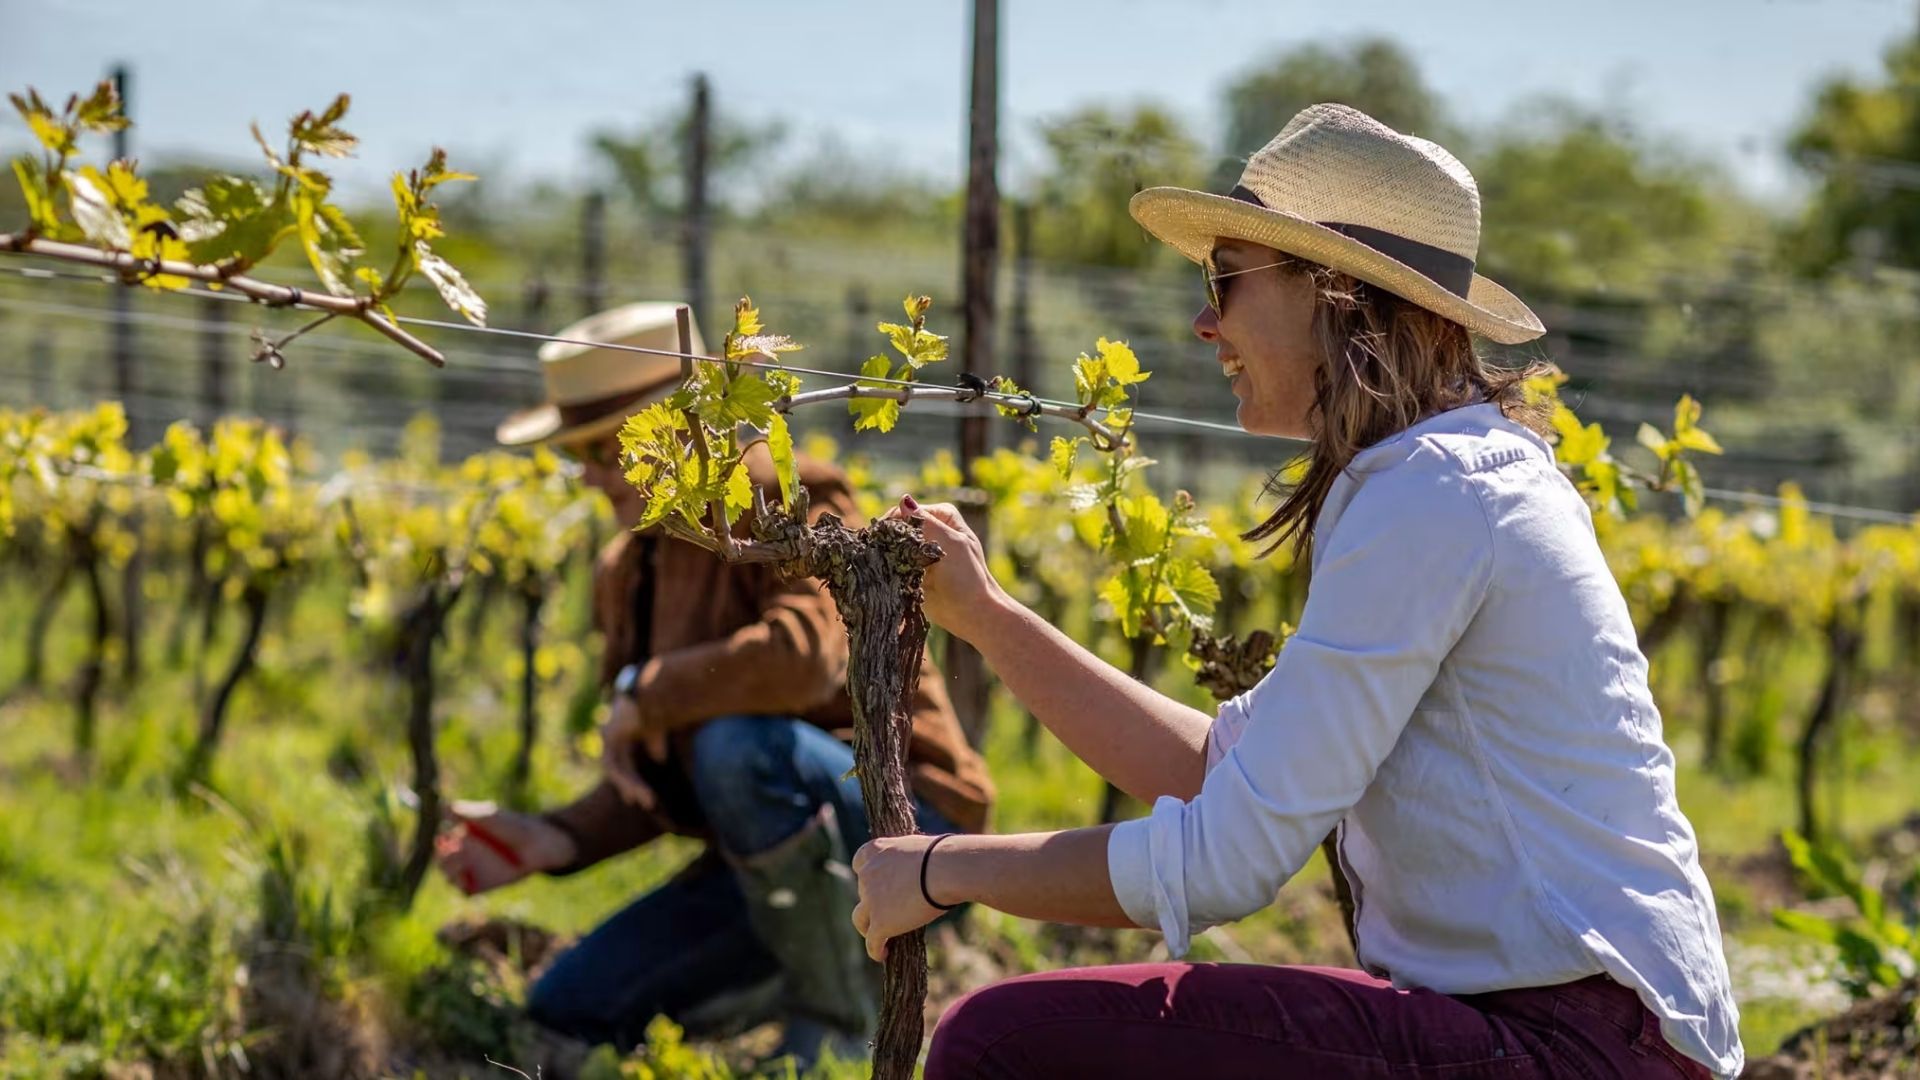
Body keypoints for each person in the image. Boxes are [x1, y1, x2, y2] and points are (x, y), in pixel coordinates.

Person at [849, 104, 1742, 1078]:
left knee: (1006, 1043)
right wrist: (985, 617)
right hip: (1583, 1041)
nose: (1203, 321)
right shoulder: (1451, 477)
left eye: (1223, 281)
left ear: (1337, 294)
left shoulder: (1435, 491)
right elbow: (1216, 770)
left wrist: (941, 870)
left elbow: (1226, 861)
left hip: (1569, 1051)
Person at [432, 302, 993, 1068]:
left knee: (738, 747)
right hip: (772, 844)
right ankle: (804, 966)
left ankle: (835, 1019)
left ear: (674, 428)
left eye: (604, 449)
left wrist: (647, 690)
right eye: (580, 454)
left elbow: (805, 658)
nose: (591, 476)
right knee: (571, 1003)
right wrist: (554, 836)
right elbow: (664, 763)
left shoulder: (784, 492)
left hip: (913, 822)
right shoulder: (626, 570)